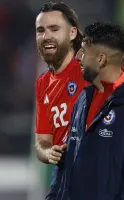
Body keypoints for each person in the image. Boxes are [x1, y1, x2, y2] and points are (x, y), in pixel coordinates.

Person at [56, 21, 124, 200]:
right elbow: (66, 161)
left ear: (101, 59)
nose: (78, 56)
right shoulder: (83, 99)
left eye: (84, 51)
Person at [34, 1, 87, 198]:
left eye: (54, 29)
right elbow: (42, 141)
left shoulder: (90, 68)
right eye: (41, 30)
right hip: (63, 175)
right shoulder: (43, 84)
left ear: (72, 33)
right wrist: (48, 153)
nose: (46, 36)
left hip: (95, 171)